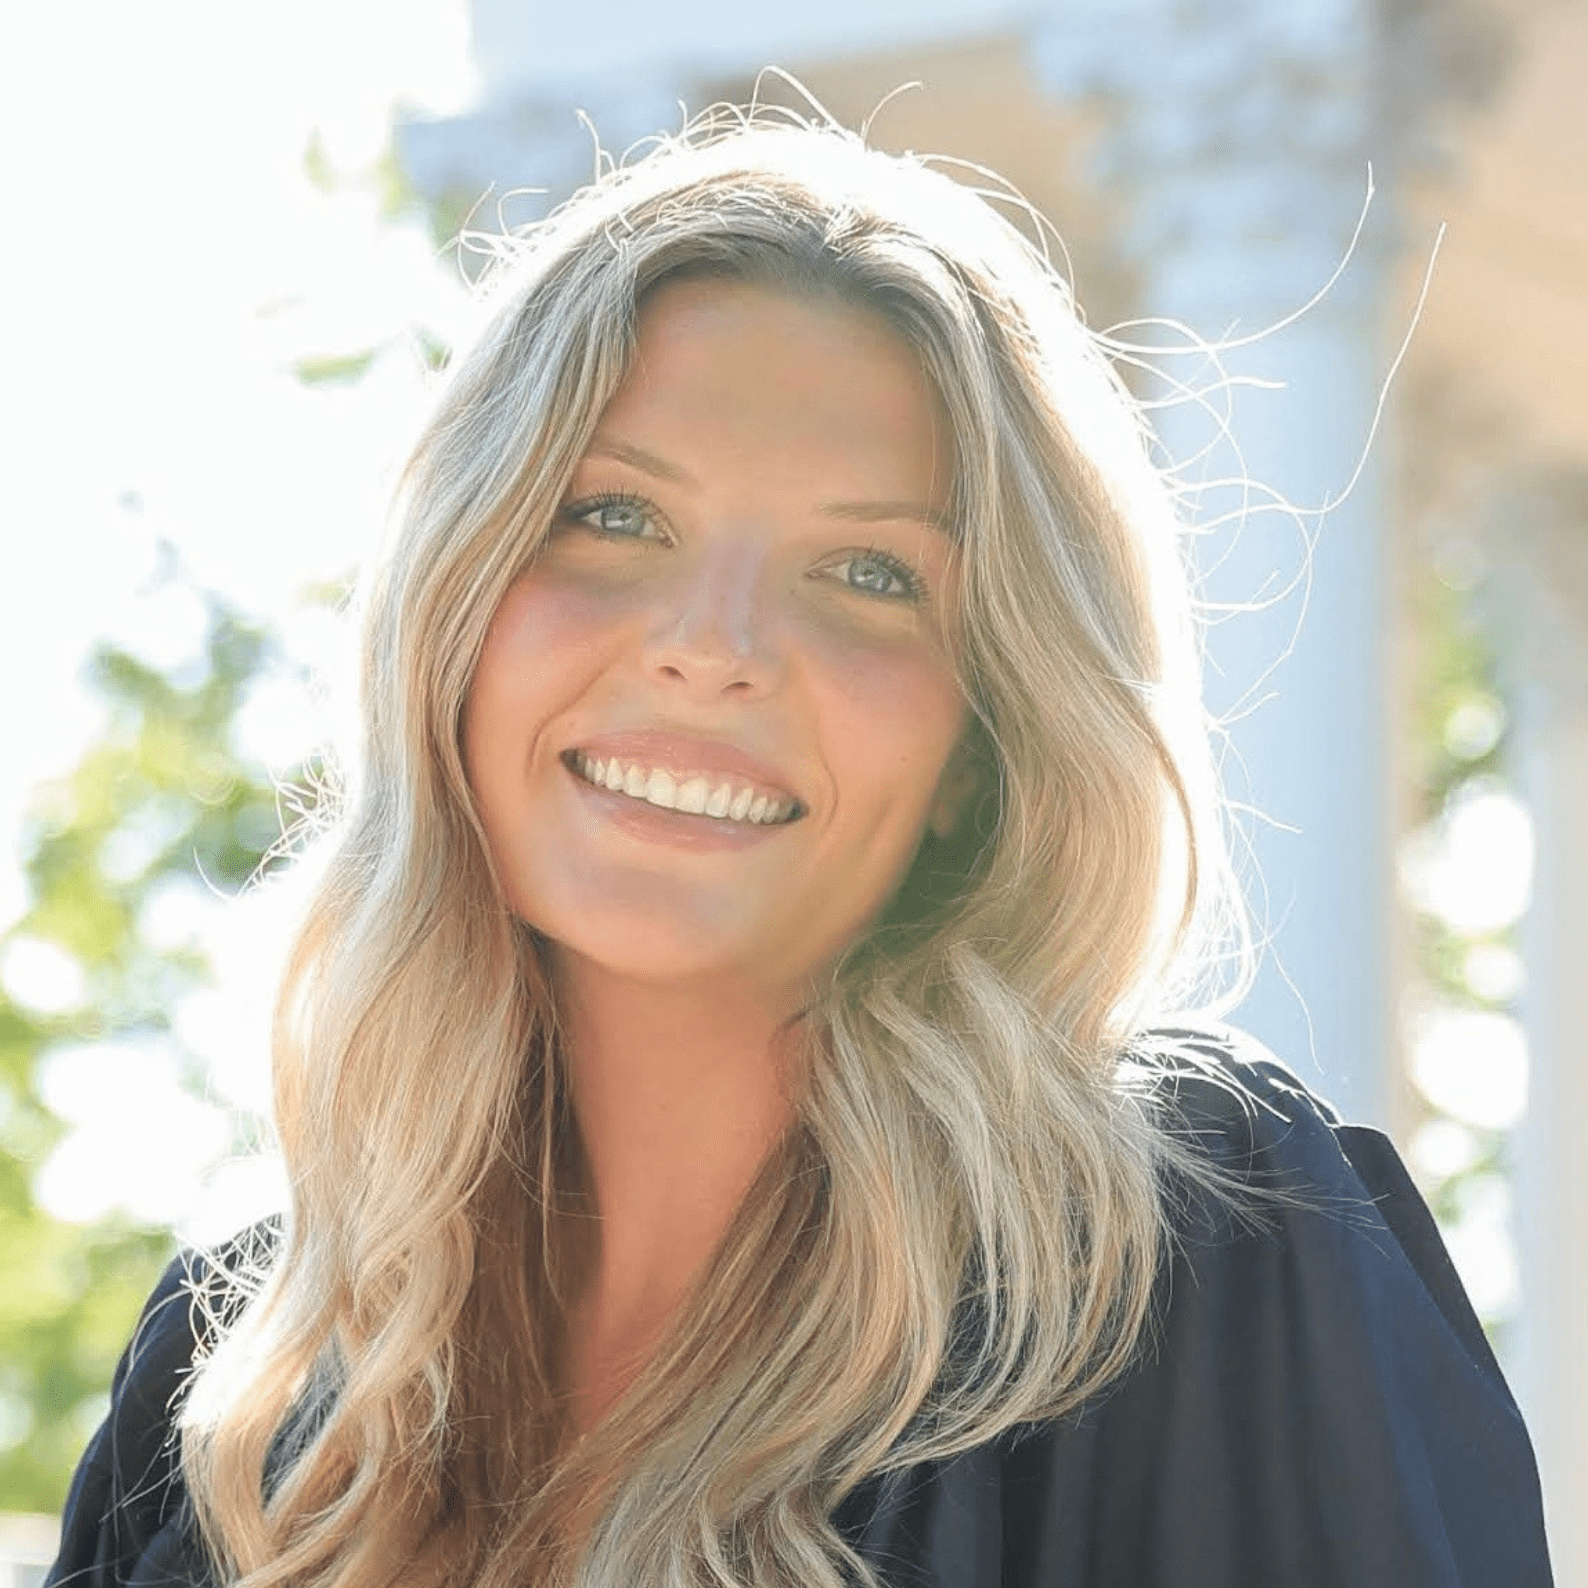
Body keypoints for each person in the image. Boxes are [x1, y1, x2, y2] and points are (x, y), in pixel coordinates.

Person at [47, 112, 1552, 1588]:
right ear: (451, 609)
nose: (715, 650)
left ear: (989, 740)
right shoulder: (233, 1378)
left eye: (870, 572)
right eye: (615, 515)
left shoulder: (1195, 1262)